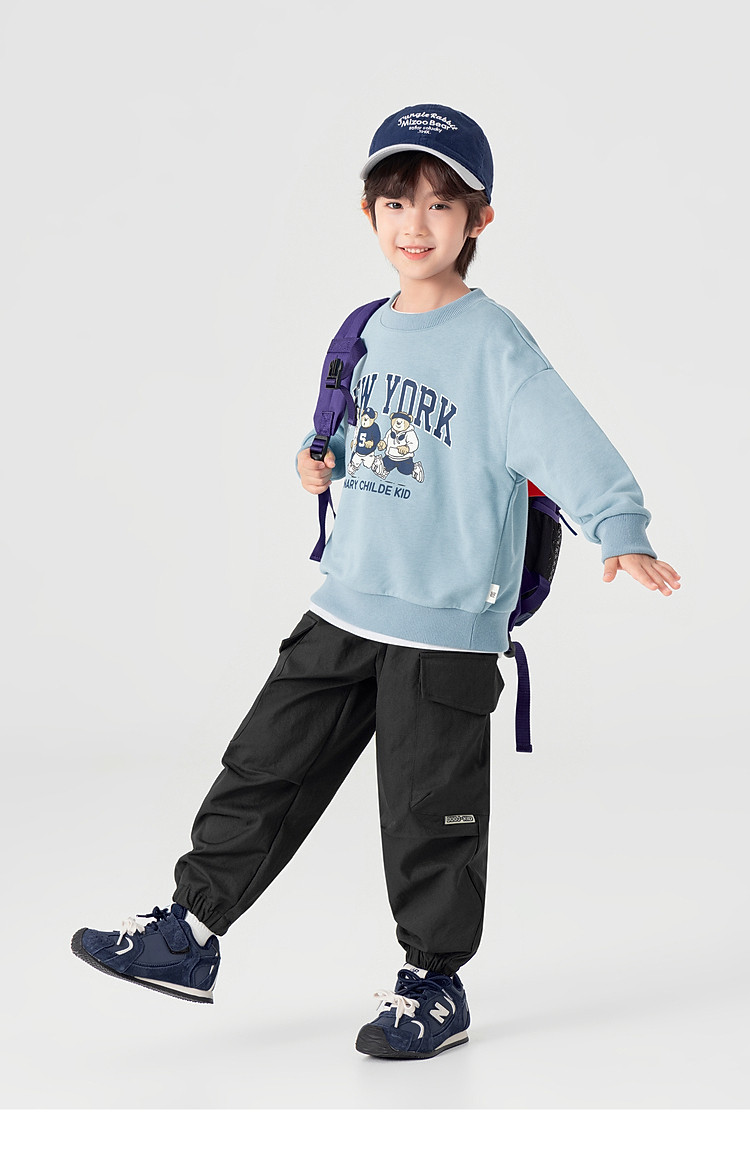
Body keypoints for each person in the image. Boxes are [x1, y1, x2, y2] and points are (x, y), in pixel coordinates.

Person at [71, 103, 681, 1060]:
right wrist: (313, 460)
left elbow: (569, 440)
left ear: (479, 219)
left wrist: (621, 527)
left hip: (445, 624)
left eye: (440, 205)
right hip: (348, 600)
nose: (415, 224)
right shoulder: (364, 329)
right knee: (265, 764)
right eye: (395, 202)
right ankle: (188, 934)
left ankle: (434, 985)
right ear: (368, 214)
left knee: (429, 812)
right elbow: (348, 432)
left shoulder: (496, 344)